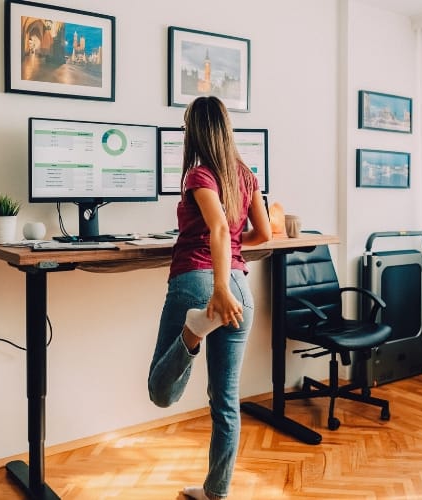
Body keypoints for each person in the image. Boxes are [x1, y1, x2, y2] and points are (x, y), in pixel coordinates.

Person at [147, 96, 272, 500]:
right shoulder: (246, 176)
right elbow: (263, 236)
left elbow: (217, 228)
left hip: (201, 283)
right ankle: (216, 492)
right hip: (241, 288)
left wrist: (217, 288)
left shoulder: (199, 175)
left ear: (194, 131)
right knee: (226, 399)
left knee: (160, 392)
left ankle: (191, 333)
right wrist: (232, 263)